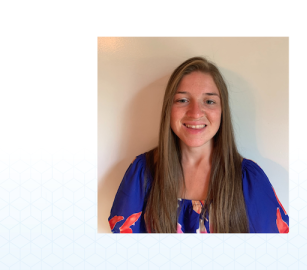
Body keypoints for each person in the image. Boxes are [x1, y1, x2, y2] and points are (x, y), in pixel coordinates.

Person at [108, 56, 289, 233]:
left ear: (222, 111)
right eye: (182, 100)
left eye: (209, 101)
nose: (195, 113)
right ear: (168, 109)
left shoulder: (249, 179)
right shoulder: (141, 173)